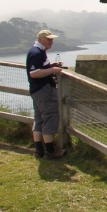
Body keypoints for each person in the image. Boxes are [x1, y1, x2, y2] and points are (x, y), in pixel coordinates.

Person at [26, 30, 66, 159]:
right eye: (49, 39)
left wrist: (50, 65)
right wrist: (54, 70)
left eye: (52, 39)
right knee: (50, 116)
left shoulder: (38, 52)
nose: (51, 42)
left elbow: (39, 68)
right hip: (44, 91)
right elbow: (34, 73)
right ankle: (50, 151)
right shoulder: (36, 53)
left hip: (37, 91)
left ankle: (39, 150)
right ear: (41, 39)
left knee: (39, 119)